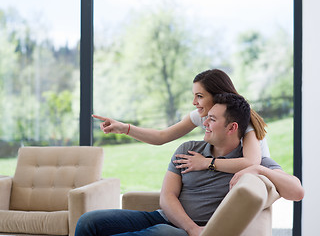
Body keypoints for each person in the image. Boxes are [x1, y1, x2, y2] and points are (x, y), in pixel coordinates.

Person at [76, 93, 302, 236]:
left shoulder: (251, 161)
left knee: (159, 234)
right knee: (89, 222)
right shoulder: (187, 149)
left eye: (212, 120)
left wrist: (259, 169)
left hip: (190, 228)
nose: (204, 122)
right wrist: (190, 228)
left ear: (232, 128)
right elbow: (168, 197)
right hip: (167, 218)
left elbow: (297, 192)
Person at [93, 69, 267, 176]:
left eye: (200, 96)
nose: (194, 102)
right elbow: (162, 136)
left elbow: (252, 163)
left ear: (217, 96)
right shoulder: (202, 115)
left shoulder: (241, 120)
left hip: (257, 175)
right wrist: (125, 128)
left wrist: (206, 162)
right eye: (194, 95)